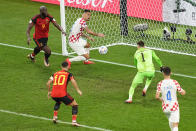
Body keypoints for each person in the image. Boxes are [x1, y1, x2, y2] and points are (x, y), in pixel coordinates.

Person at [46, 61, 82, 126]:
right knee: (75, 105)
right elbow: (73, 81)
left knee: (58, 101)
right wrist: (78, 90)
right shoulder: (69, 74)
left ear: (61, 66)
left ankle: (55, 117)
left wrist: (49, 91)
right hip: (62, 94)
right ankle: (74, 122)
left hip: (53, 94)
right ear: (68, 66)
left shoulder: (54, 74)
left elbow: (48, 83)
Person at [156, 66, 186, 131]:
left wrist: (161, 99)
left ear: (163, 73)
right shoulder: (175, 82)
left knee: (171, 120)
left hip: (165, 107)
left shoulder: (160, 83)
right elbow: (182, 93)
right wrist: (184, 91)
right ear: (171, 73)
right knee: (175, 124)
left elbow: (157, 96)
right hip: (174, 106)